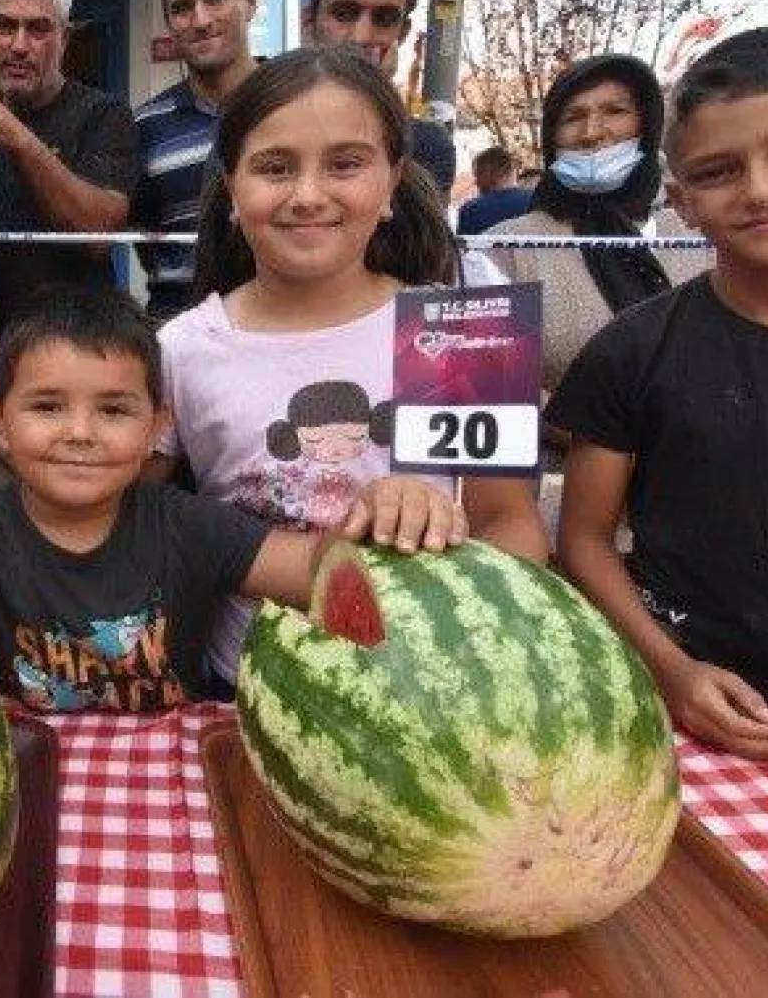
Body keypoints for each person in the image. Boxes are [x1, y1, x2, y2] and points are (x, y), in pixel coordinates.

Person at [0, 286, 468, 713]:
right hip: (22, 780)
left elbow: (316, 571)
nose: (79, 432)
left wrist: (385, 508)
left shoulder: (191, 527)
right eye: (47, 406)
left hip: (177, 790)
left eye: (114, 410)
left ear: (156, 428)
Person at [153, 46, 549, 692]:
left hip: (425, 680)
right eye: (274, 167)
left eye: (345, 164)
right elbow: (134, 516)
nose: (308, 195)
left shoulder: (466, 327)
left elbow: (511, 521)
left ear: (392, 182)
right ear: (231, 188)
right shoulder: (180, 348)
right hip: (243, 688)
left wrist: (467, 651)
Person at [551, 23, 768, 761]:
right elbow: (584, 540)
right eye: (718, 171)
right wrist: (668, 668)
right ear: (680, 199)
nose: (762, 189)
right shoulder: (631, 351)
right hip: (678, 722)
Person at [485, 54, 710, 394]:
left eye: (615, 111)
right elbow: (488, 380)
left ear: (647, 126)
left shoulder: (698, 235)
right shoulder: (505, 248)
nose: (591, 133)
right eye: (573, 117)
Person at [0, 0, 139, 337]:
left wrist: (16, 136)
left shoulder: (104, 115)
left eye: (38, 29)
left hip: (76, 343)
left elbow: (98, 233)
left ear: (64, 37)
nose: (18, 45)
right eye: (5, 26)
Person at [132, 0, 259, 320]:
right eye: (182, 7)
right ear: (170, 23)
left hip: (283, 332)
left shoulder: (298, 106)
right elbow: (148, 241)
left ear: (251, 2)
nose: (201, 20)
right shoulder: (144, 125)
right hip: (177, 328)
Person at [303, 0, 455, 197]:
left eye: (384, 19)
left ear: (402, 32)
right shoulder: (262, 121)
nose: (361, 36)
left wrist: (375, 95)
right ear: (309, 21)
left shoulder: (426, 145)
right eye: (344, 14)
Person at [457, 145, 532, 235]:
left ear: (487, 173)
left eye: (477, 175)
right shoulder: (536, 202)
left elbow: (462, 243)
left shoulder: (470, 210)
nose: (476, 182)